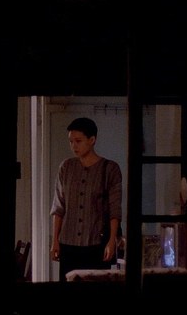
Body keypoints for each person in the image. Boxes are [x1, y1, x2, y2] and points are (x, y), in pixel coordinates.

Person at [50, 117, 123, 281]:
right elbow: (59, 206)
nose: (73, 146)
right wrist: (55, 240)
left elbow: (115, 209)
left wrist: (112, 241)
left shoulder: (110, 169)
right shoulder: (66, 167)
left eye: (78, 141)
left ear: (92, 140)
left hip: (96, 243)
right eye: (71, 141)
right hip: (68, 244)